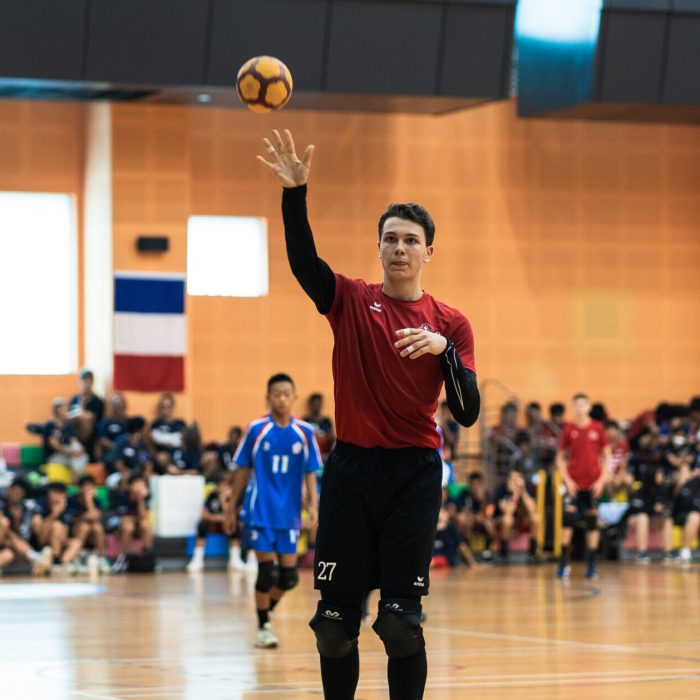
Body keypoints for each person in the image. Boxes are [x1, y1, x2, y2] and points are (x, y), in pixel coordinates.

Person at [257, 129, 479, 699]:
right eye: (389, 239)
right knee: (334, 627)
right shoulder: (353, 301)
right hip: (352, 472)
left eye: (410, 240)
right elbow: (305, 262)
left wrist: (444, 353)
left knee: (401, 624)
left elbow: (468, 411)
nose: (399, 248)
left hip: (413, 474)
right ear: (377, 247)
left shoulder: (450, 324)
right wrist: (294, 193)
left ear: (430, 250)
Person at [224, 373, 320, 649]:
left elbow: (311, 472)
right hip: (261, 510)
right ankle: (264, 625)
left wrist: (313, 506)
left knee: (289, 577)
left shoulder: (305, 432)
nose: (281, 398)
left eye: (286, 393)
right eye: (276, 394)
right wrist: (232, 508)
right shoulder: (256, 429)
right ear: (268, 398)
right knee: (267, 573)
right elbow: (242, 470)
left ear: (294, 398)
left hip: (289, 513)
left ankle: (265, 613)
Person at [555, 394, 612, 580]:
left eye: (583, 405)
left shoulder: (597, 428)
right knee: (569, 519)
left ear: (588, 407)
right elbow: (560, 457)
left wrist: (601, 481)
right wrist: (568, 480)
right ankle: (563, 563)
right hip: (574, 484)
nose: (580, 408)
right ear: (573, 407)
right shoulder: (569, 429)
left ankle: (591, 565)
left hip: (593, 484)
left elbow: (608, 456)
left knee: (592, 522)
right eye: (576, 405)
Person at [187, 473, 250, 572]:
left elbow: (235, 515)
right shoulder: (212, 495)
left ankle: (234, 559)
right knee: (202, 524)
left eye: (225, 485)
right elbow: (204, 514)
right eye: (220, 485)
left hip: (227, 524)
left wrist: (224, 502)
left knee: (235, 526)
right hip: (214, 523)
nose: (222, 488)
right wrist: (220, 518)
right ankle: (197, 559)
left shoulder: (234, 497)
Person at [0, 478, 53, 575]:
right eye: (15, 491)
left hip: (8, 545)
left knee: (8, 554)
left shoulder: (21, 508)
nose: (17, 495)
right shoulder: (1, 501)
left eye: (20, 493)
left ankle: (36, 560)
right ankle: (36, 557)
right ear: (9, 489)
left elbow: (20, 535)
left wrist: (16, 521)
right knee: (3, 523)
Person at [31, 482, 83, 573]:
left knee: (76, 542)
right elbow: (37, 530)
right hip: (43, 540)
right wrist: (54, 514)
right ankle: (55, 561)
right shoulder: (41, 503)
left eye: (62, 494)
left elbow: (68, 530)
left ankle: (62, 563)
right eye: (56, 493)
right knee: (56, 526)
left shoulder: (68, 505)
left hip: (60, 540)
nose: (59, 497)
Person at [67, 475, 111, 574]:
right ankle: (76, 556)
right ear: (79, 488)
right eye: (86, 487)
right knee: (84, 526)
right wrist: (84, 516)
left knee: (97, 527)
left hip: (92, 535)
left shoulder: (96, 501)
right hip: (74, 533)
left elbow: (95, 518)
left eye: (91, 487)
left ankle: (101, 558)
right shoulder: (71, 500)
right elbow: (71, 520)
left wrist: (89, 501)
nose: (88, 490)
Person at [494, 468, 540, 563]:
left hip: (523, 520)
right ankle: (504, 553)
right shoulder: (502, 489)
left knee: (535, 517)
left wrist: (522, 492)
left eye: (517, 479)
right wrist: (514, 495)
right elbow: (508, 510)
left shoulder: (527, 487)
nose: (514, 482)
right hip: (503, 521)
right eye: (512, 479)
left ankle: (533, 552)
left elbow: (532, 508)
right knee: (507, 519)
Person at [111, 474, 153, 573]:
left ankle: (148, 557)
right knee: (128, 527)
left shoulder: (145, 497)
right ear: (131, 486)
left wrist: (140, 500)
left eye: (143, 485)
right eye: (137, 484)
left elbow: (143, 517)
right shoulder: (122, 496)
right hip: (121, 525)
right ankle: (122, 558)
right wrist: (135, 519)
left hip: (137, 524)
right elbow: (124, 518)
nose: (140, 487)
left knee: (145, 525)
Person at [44, 398, 88, 475]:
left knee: (83, 456)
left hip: (68, 453)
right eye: (64, 407)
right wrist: (71, 453)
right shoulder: (50, 425)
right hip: (55, 456)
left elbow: (73, 440)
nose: (66, 410)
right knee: (76, 459)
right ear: (57, 409)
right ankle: (77, 479)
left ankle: (78, 478)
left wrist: (81, 449)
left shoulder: (67, 424)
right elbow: (55, 445)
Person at [69, 369, 105, 461]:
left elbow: (91, 418)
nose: (86, 384)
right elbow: (69, 417)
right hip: (74, 436)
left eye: (89, 381)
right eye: (84, 381)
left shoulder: (97, 401)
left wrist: (81, 410)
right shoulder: (74, 399)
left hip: (90, 436)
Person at [107, 417, 153, 489]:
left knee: (147, 479)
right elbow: (118, 464)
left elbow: (146, 461)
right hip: (119, 474)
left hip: (136, 474)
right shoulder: (122, 443)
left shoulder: (142, 446)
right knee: (125, 477)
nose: (147, 431)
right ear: (139, 430)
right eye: (145, 429)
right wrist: (129, 473)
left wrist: (147, 472)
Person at [149, 393, 187, 473]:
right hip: (165, 457)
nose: (166, 410)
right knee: (161, 457)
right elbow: (157, 439)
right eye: (163, 407)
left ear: (172, 407)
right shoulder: (156, 424)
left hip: (181, 454)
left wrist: (165, 438)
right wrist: (175, 438)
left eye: (168, 407)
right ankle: (173, 471)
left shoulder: (180, 423)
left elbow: (184, 440)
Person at [303, 393, 336, 462]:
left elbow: (332, 437)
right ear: (311, 405)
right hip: (311, 451)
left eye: (319, 404)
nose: (317, 406)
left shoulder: (326, 420)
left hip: (325, 452)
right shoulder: (306, 420)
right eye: (315, 404)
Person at [96, 393, 129, 462]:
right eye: (118, 406)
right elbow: (103, 440)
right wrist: (117, 447)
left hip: (129, 452)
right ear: (113, 407)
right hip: (113, 452)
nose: (120, 408)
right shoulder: (105, 422)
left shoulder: (130, 422)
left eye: (122, 406)